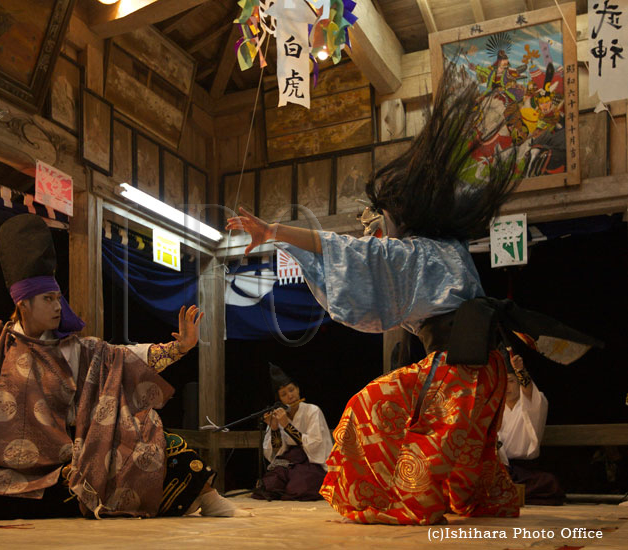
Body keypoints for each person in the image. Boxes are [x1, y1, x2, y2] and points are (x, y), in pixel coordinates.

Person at [226, 66, 599, 525]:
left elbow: (341, 249)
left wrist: (275, 231)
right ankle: (455, 496)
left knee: (367, 407)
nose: (380, 227)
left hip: (456, 372)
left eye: (383, 217)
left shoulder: (411, 255)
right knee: (450, 440)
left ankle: (405, 499)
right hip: (487, 373)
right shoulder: (450, 249)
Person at [0, 213, 236, 520]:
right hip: (0, 470)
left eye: (57, 298)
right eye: (48, 299)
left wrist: (181, 347)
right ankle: (76, 504)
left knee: (165, 445)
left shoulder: (76, 350)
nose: (57, 305)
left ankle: (187, 495)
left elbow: (129, 356)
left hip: (64, 468)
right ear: (23, 302)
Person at [252, 364, 332, 501]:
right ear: (279, 400)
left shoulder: (313, 411)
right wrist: (274, 428)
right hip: (289, 461)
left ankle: (288, 488)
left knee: (298, 489)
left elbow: (315, 444)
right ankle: (285, 488)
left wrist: (287, 426)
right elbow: (275, 452)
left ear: (298, 389)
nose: (290, 396)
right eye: (284, 394)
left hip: (310, 461)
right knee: (268, 487)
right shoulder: (278, 414)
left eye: (291, 390)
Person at [498, 349, 565, 505]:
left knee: (549, 483)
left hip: (525, 471)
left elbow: (529, 391)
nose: (507, 386)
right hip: (501, 469)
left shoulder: (531, 404)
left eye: (511, 381)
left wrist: (520, 371)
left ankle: (508, 494)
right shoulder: (495, 408)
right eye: (503, 381)